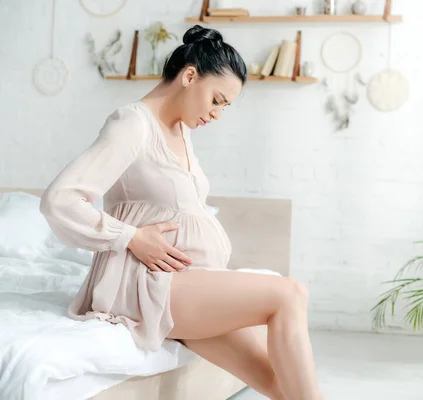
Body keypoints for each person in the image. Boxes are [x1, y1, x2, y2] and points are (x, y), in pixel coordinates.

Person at [40, 25, 322, 400]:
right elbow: (59, 200)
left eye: (226, 106)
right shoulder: (132, 125)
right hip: (146, 283)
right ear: (190, 75)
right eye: (217, 99)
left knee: (280, 383)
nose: (218, 114)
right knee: (290, 293)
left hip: (189, 283)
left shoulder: (181, 129)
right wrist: (133, 237)